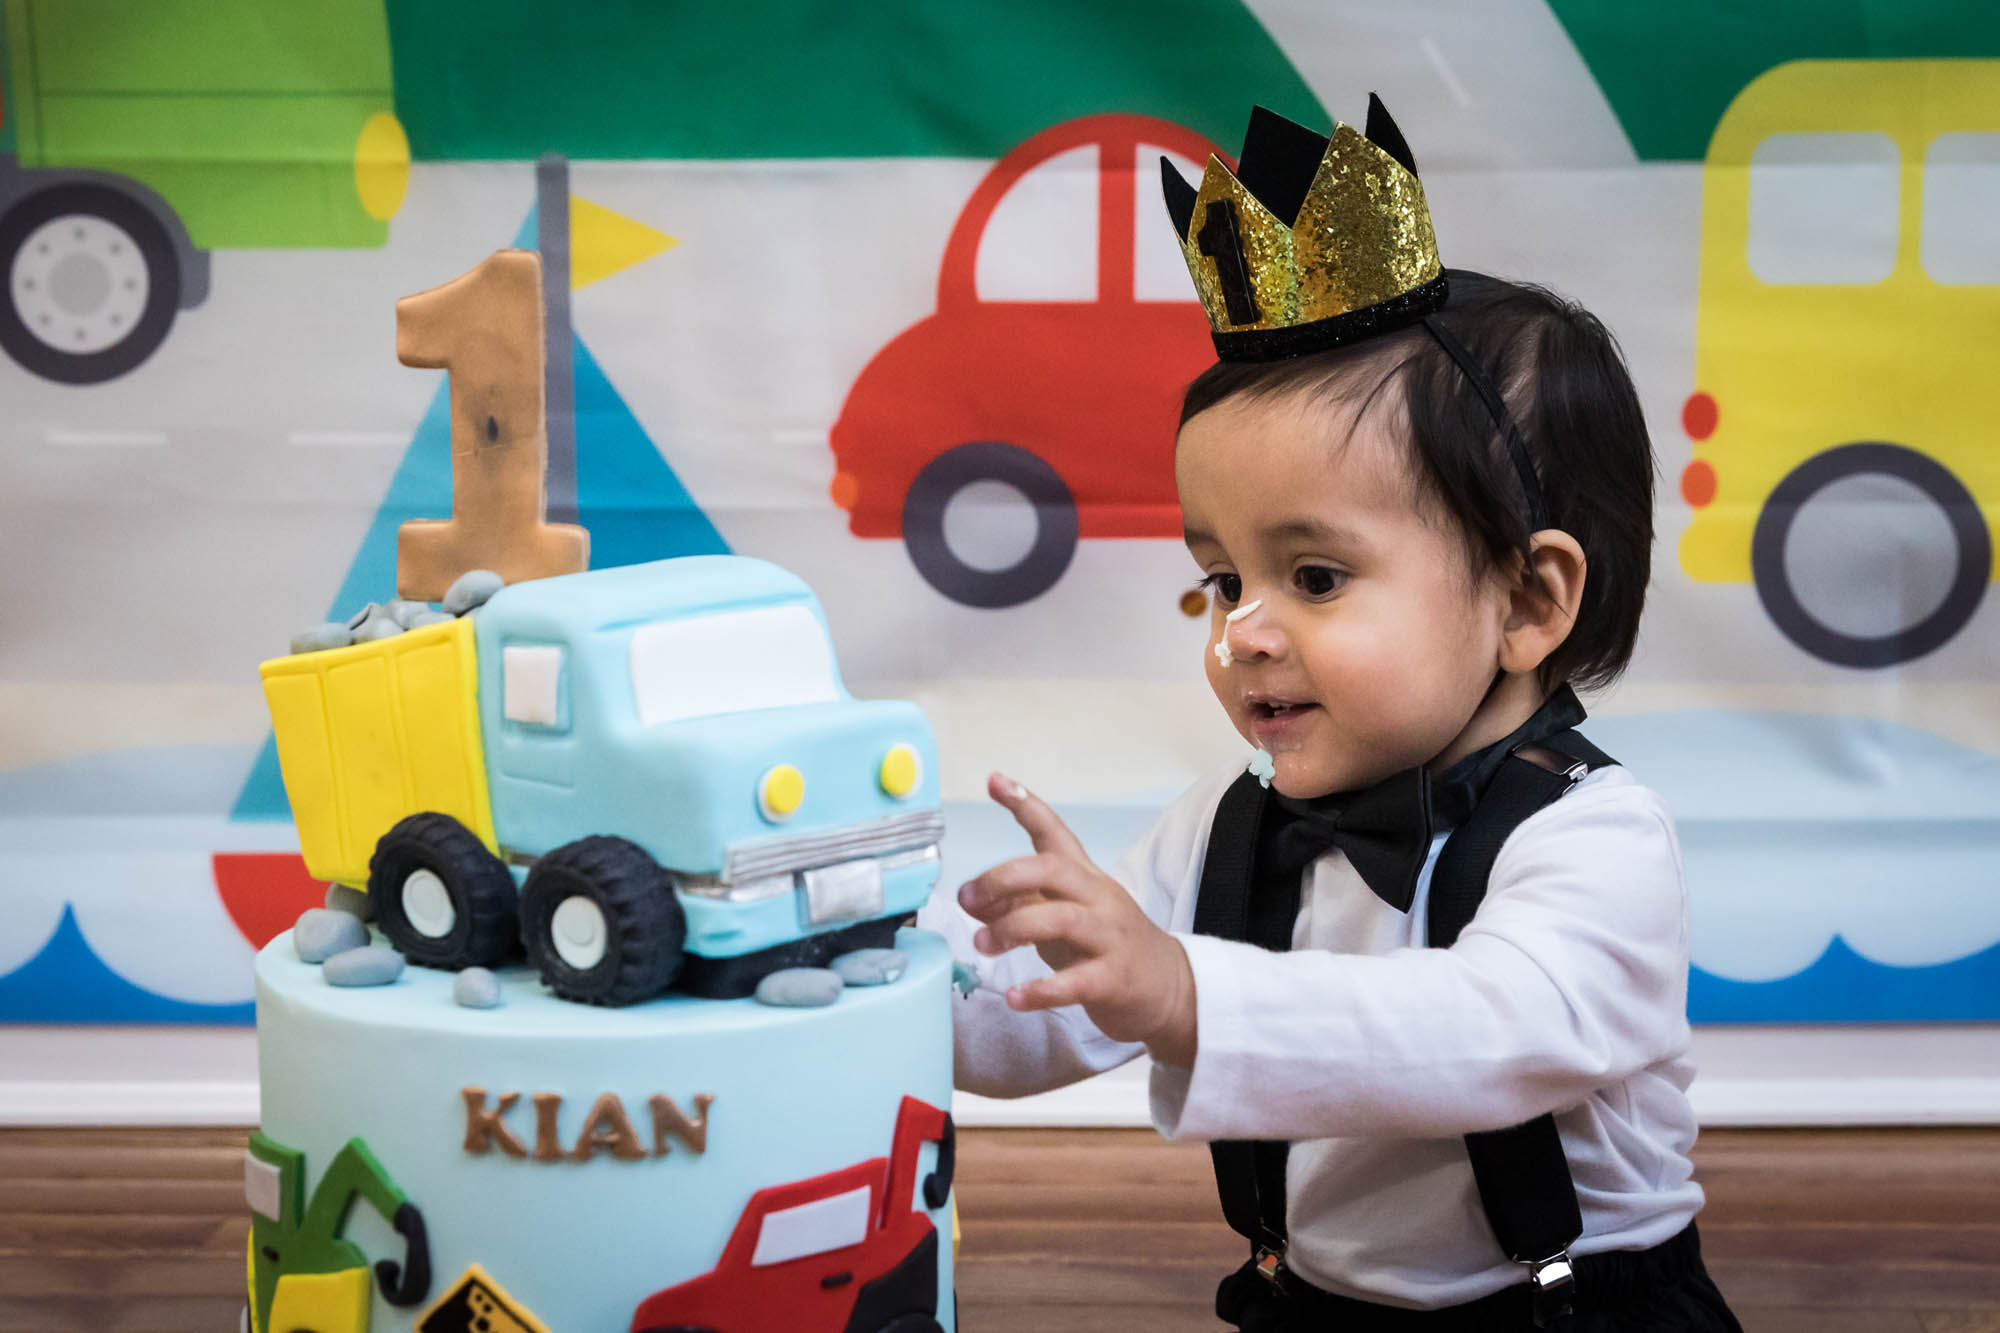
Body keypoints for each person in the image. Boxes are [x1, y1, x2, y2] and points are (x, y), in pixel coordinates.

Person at [921, 102, 1743, 1331]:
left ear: (1526, 599)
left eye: (1313, 578)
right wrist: (872, 978)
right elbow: (1034, 1031)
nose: (1239, 629)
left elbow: (1476, 1037)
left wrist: (1184, 991)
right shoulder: (1229, 822)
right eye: (1219, 576)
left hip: (1567, 1310)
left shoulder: (1594, 842)